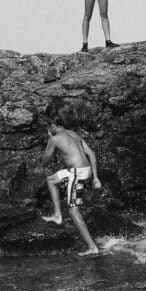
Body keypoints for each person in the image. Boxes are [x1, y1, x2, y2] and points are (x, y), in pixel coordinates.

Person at [40, 104, 103, 256]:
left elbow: (45, 160)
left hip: (77, 173)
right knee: (51, 179)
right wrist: (95, 177)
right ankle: (57, 214)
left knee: (74, 211)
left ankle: (92, 248)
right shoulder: (74, 134)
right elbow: (91, 153)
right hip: (85, 171)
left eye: (49, 128)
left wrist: (50, 141)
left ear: (54, 126)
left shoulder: (55, 138)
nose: (48, 131)